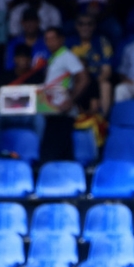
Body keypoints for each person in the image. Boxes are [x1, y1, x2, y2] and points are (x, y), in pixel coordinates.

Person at [38, 27, 89, 162]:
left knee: (52, 155)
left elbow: (83, 78)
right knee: (62, 154)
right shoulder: (54, 57)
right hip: (53, 111)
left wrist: (71, 100)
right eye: (47, 39)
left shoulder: (67, 56)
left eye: (53, 39)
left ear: (61, 40)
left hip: (63, 113)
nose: (49, 42)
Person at [70, 13, 114, 114]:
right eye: (81, 24)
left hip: (96, 81)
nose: (85, 27)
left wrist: (91, 85)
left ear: (94, 26)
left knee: (106, 85)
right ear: (76, 26)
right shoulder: (70, 43)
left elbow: (107, 71)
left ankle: (103, 119)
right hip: (76, 81)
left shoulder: (102, 42)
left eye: (89, 24)